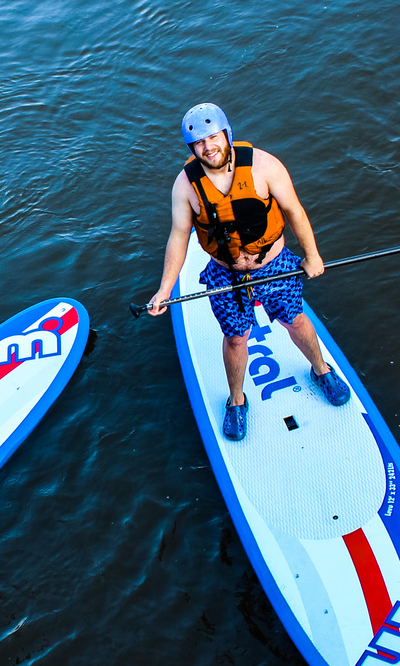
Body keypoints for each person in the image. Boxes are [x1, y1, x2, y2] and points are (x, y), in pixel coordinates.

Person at [146, 104, 351, 440]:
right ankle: (237, 401)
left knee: (294, 319)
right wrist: (165, 289)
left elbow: (294, 212)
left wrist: (312, 256)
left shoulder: (265, 166)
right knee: (236, 338)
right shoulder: (185, 187)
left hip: (275, 264)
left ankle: (321, 370)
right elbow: (178, 237)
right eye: (199, 142)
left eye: (213, 137)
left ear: (226, 134)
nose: (208, 147)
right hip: (225, 274)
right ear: (191, 148)